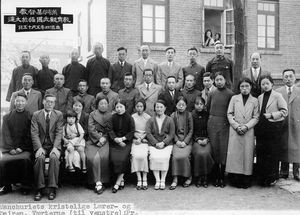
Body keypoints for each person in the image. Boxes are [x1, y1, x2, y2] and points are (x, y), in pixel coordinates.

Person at [226, 78, 259, 188]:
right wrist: (236, 126)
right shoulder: (234, 98)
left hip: (247, 130)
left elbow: (256, 117)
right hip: (235, 130)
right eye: (242, 86)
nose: (244, 89)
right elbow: (229, 114)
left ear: (250, 87)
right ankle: (235, 178)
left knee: (247, 154)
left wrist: (246, 126)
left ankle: (246, 179)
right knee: (236, 155)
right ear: (239, 88)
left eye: (247, 86)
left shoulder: (254, 100)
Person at [256, 75, 288, 186]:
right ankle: (262, 177)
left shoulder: (277, 96)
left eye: (267, 84)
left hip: (273, 129)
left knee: (272, 153)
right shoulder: (260, 97)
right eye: (263, 84)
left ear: (272, 84)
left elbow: (284, 111)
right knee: (262, 153)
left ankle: (272, 177)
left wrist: (272, 115)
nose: (265, 86)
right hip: (261, 129)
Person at [31, 93, 64, 201]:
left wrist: (55, 147)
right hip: (41, 145)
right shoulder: (36, 114)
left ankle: (52, 188)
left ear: (54, 104)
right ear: (43, 102)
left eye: (52, 102)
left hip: (54, 145)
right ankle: (39, 188)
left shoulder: (58, 114)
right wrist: (39, 148)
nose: (49, 104)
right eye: (48, 101)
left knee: (54, 158)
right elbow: (34, 133)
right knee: (39, 159)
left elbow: (59, 132)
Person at [0, 93, 33, 195]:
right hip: (10, 148)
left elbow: (30, 134)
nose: (20, 103)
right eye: (18, 101)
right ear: (14, 102)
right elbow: (5, 134)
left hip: (25, 148)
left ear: (26, 102)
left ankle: (25, 185)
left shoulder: (30, 116)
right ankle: (6, 185)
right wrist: (10, 149)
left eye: (22, 101)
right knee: (3, 161)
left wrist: (21, 148)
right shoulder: (7, 117)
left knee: (25, 160)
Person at [207, 72, 234, 188]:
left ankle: (222, 175)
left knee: (223, 149)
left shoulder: (230, 94)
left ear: (225, 80)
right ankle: (215, 176)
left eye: (221, 79)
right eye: (217, 79)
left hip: (224, 124)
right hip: (212, 123)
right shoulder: (211, 93)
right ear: (214, 81)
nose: (219, 82)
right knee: (214, 149)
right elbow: (208, 108)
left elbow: (231, 110)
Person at [276, 69, 300, 181]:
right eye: (286, 77)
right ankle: (284, 171)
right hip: (283, 123)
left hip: (297, 123)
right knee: (283, 146)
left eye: (290, 76)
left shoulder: (299, 91)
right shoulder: (278, 92)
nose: (288, 79)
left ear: (295, 78)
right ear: (282, 79)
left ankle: (297, 172)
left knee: (297, 147)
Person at [146, 100, 175, 190]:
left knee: (164, 158)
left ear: (165, 108)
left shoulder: (170, 119)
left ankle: (163, 179)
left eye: (161, 107)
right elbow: (148, 133)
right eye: (157, 107)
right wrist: (155, 143)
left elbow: (171, 133)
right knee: (154, 157)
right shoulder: (151, 120)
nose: (159, 109)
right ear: (155, 108)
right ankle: (157, 180)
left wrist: (164, 143)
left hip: (166, 144)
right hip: (154, 144)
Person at [85, 96, 111, 194]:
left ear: (108, 104)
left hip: (105, 140)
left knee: (103, 157)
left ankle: (103, 181)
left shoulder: (111, 115)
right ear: (97, 105)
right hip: (93, 140)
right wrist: (98, 138)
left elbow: (111, 130)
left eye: (105, 103)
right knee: (92, 158)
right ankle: (94, 181)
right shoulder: (92, 114)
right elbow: (91, 128)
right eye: (101, 103)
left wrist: (104, 138)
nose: (103, 105)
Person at [109, 100, 135, 193]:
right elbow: (110, 130)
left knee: (122, 159)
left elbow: (132, 131)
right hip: (115, 142)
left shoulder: (129, 118)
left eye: (121, 107)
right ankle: (121, 179)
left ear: (125, 107)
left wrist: (123, 139)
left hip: (125, 143)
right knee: (113, 159)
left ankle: (117, 183)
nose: (119, 109)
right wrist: (115, 139)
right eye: (117, 107)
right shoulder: (113, 117)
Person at [169, 96, 193, 190]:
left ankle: (188, 176)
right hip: (177, 141)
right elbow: (172, 131)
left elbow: (191, 130)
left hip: (187, 141)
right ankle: (175, 179)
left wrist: (185, 142)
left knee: (185, 156)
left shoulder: (189, 115)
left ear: (186, 106)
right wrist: (177, 141)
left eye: (183, 105)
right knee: (175, 157)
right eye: (179, 104)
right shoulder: (173, 115)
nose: (181, 107)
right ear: (176, 105)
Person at [192, 96, 214, 188]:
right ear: (194, 105)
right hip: (196, 140)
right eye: (197, 104)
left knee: (206, 153)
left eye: (201, 104)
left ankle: (205, 176)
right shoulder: (191, 115)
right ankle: (198, 176)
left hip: (206, 139)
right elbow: (190, 130)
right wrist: (198, 140)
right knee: (199, 153)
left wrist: (207, 139)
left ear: (204, 105)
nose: (199, 106)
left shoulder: (208, 114)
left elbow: (211, 129)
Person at [131, 99, 151, 190]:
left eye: (141, 106)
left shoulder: (148, 117)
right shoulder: (132, 117)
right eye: (137, 106)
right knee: (135, 156)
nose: (139, 108)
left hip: (144, 140)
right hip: (135, 140)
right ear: (135, 107)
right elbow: (131, 130)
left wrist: (142, 138)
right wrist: (137, 138)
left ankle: (145, 178)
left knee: (143, 156)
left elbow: (148, 131)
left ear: (144, 107)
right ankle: (139, 178)